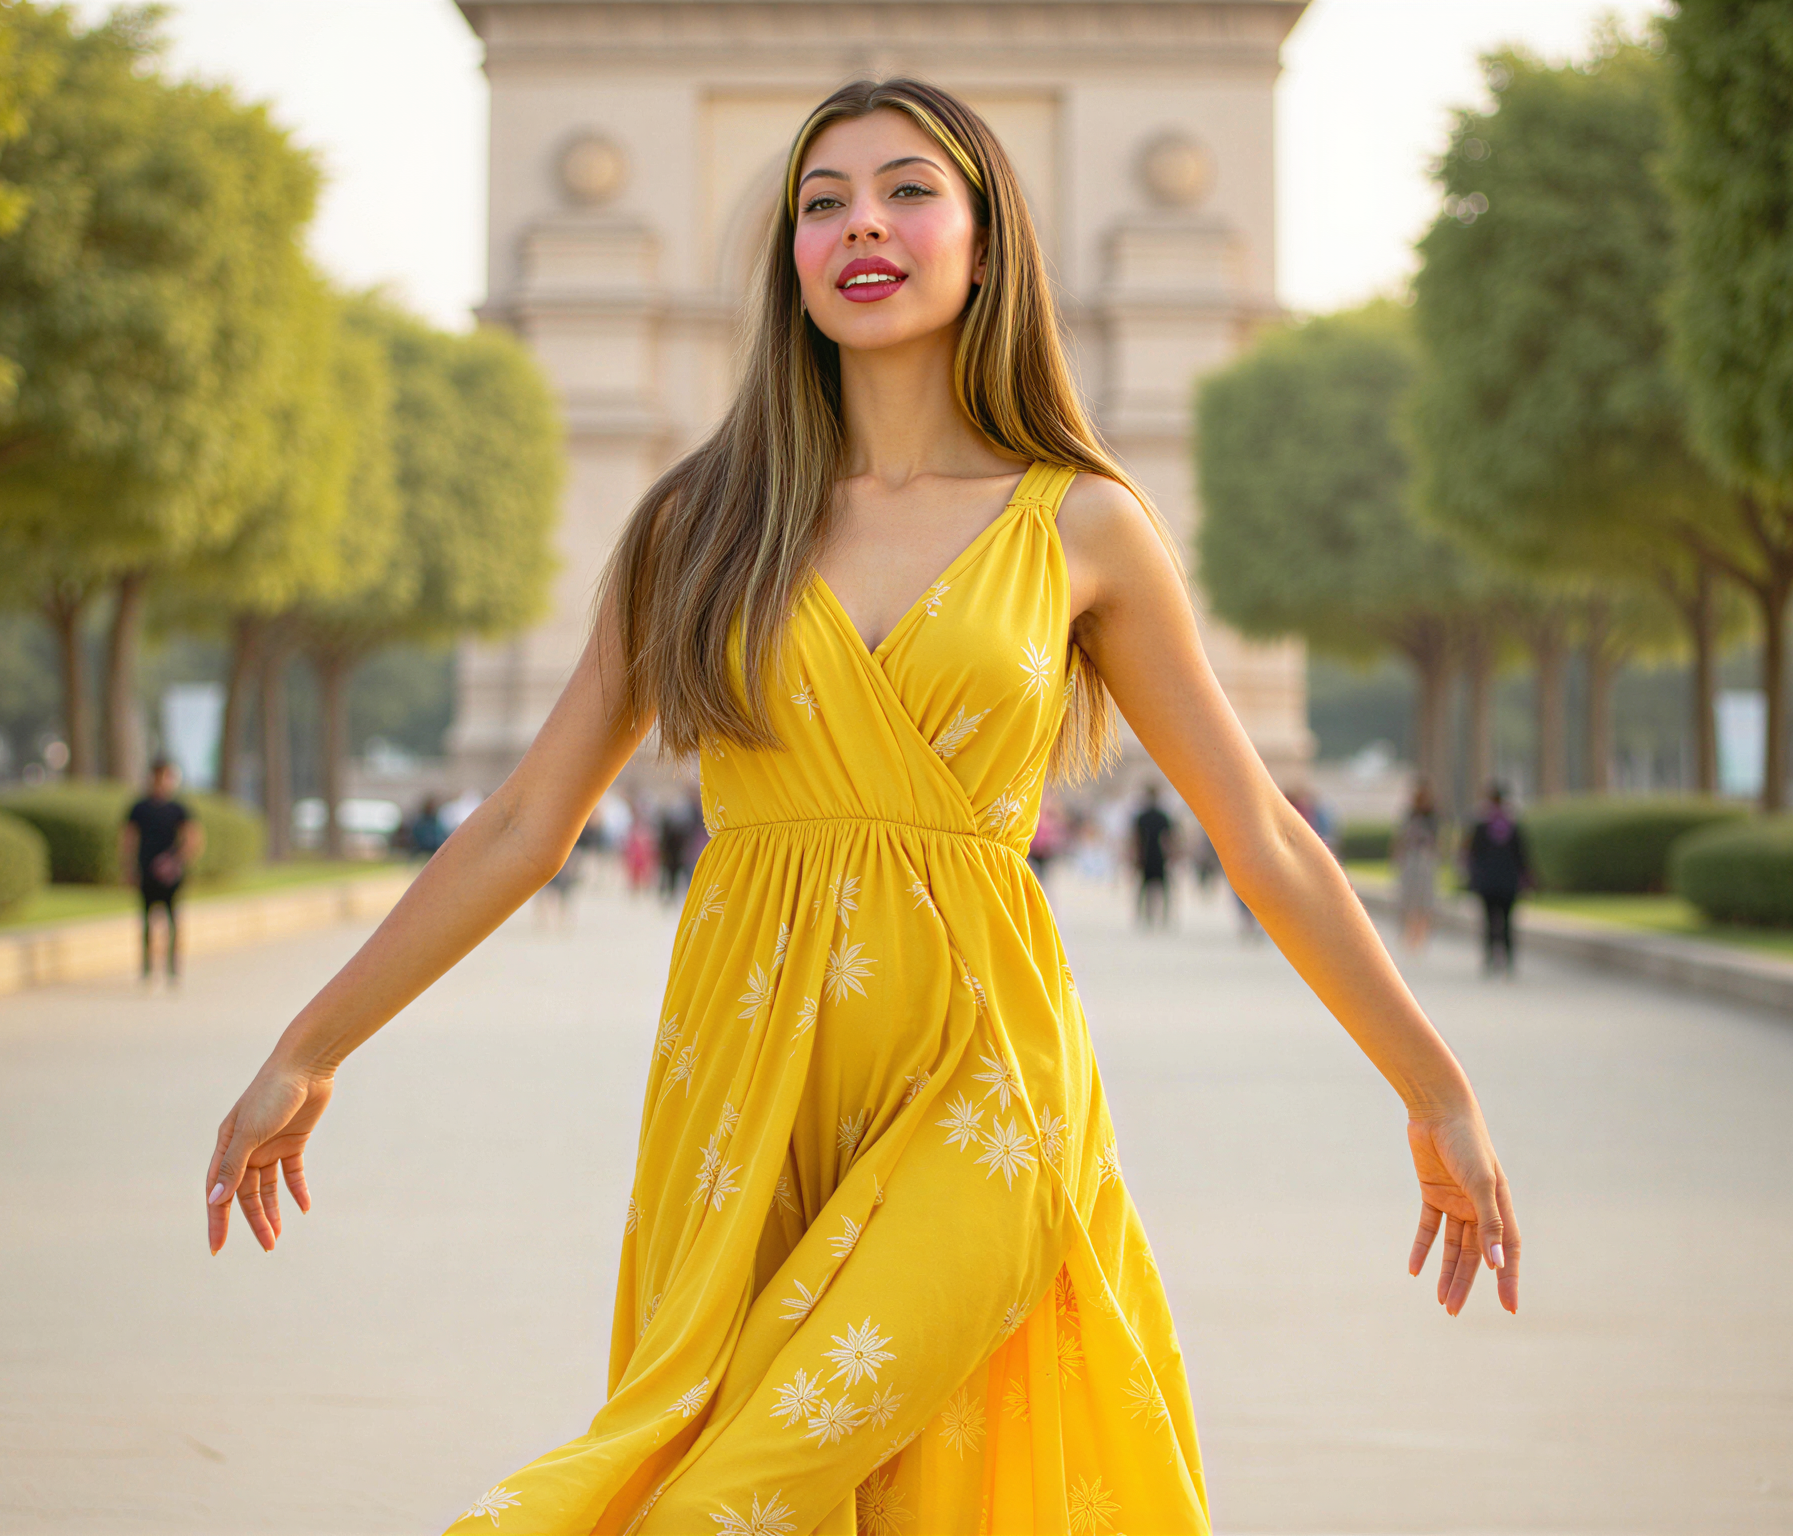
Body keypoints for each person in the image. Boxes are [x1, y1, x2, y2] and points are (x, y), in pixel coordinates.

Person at [204, 81, 1520, 1536]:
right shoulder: (696, 525)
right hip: (747, 1079)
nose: (862, 226)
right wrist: (308, 1048)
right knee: (732, 1453)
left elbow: (1262, 835)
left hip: (986, 1072)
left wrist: (1436, 1088)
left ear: (984, 235)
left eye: (906, 191)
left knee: (736, 1497)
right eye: (820, 202)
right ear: (788, 259)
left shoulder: (1082, 522)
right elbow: (526, 823)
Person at [120, 758, 202, 984]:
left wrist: (177, 861)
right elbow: (128, 838)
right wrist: (129, 867)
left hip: (170, 873)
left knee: (173, 921)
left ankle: (172, 967)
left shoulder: (178, 808)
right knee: (146, 921)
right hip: (147, 870)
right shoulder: (140, 807)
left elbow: (193, 837)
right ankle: (147, 967)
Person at [1466, 783, 1530, 977]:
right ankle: (1509, 960)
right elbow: (1522, 856)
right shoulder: (1512, 825)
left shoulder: (1481, 825)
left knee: (1488, 921)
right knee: (1508, 921)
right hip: (1508, 881)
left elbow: (1472, 854)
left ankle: (1490, 958)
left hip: (1487, 881)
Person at [1395, 779, 1442, 952]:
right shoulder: (1410, 814)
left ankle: (1421, 934)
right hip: (1411, 860)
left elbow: (1436, 841)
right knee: (1409, 898)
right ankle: (1409, 934)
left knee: (1424, 900)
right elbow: (1401, 838)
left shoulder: (1432, 817)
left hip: (1425, 861)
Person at [1131, 781, 1175, 928]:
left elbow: (1136, 839)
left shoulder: (1141, 816)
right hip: (1159, 857)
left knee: (1144, 889)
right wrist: (1171, 856)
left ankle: (1145, 916)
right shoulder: (1163, 816)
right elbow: (1169, 839)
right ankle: (1164, 916)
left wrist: (1135, 857)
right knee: (1163, 889)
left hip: (1145, 856)